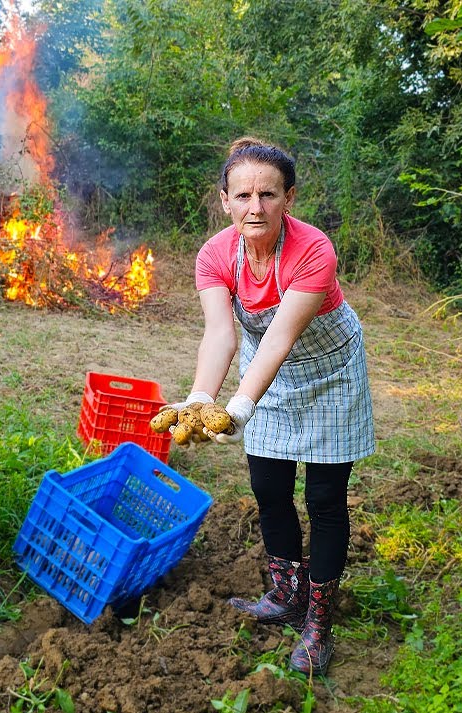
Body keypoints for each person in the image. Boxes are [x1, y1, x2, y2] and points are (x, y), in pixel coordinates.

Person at [168, 136, 374, 675]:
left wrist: (236, 410)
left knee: (325, 498)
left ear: (289, 198)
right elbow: (220, 334)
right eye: (242, 195)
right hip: (267, 377)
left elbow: (282, 335)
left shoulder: (313, 250)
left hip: (330, 372)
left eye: (267, 194)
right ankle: (286, 597)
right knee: (269, 488)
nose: (254, 207)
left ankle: (318, 624)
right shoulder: (215, 255)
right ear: (224, 200)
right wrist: (200, 399)